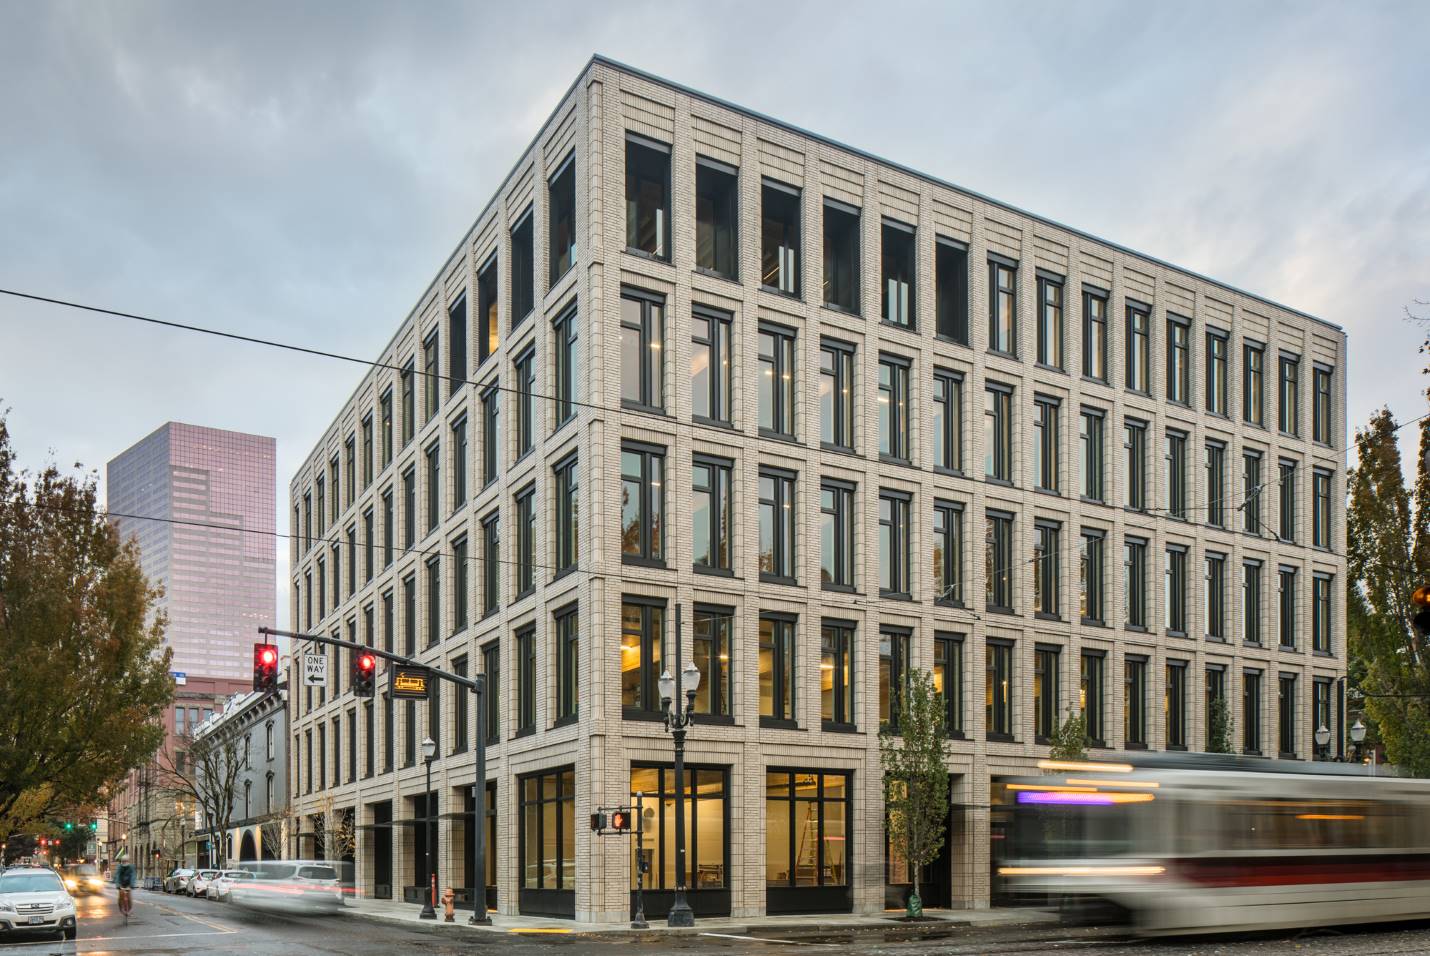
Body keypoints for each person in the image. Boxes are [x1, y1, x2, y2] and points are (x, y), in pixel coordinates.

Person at [114, 849, 135, 921]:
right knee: (121, 895)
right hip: (121, 884)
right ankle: (121, 907)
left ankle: (130, 907)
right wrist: (118, 885)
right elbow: (117, 875)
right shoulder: (119, 867)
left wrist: (132, 885)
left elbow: (133, 876)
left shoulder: (131, 867)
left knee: (129, 896)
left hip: (128, 884)